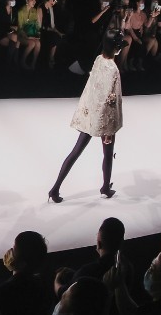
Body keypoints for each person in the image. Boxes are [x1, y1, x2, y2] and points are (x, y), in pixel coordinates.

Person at [49, 34, 122, 202]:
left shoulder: (98, 59)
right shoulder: (113, 69)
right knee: (108, 154)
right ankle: (105, 188)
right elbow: (110, 99)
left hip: (90, 113)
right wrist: (108, 130)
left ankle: (55, 188)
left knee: (76, 151)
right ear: (116, 48)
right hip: (104, 118)